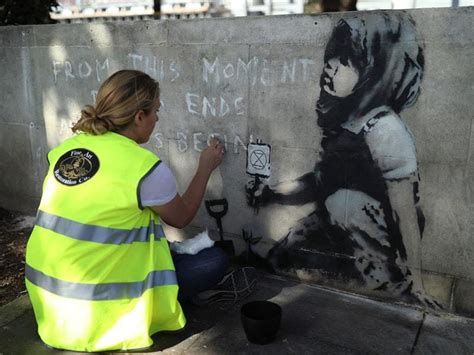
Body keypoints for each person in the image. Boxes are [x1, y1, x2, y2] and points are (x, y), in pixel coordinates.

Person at [25, 70, 251, 352]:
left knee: (166, 248)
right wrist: (205, 168)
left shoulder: (65, 152)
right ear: (139, 117)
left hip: (52, 308)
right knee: (214, 260)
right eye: (156, 110)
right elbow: (180, 217)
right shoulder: (143, 167)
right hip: (99, 313)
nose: (158, 118)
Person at [247, 14, 439, 307]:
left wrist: (418, 283)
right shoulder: (348, 123)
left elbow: (406, 213)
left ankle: (392, 282)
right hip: (341, 229)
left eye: (345, 61)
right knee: (286, 250)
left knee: (340, 203)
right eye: (332, 57)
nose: (330, 66)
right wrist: (272, 192)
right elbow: (318, 182)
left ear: (376, 70)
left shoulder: (385, 129)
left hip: (380, 247)